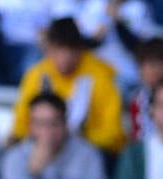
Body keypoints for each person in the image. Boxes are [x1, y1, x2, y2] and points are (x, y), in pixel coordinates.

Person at [10, 16, 126, 156]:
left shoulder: (101, 76)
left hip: (90, 150)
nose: (65, 57)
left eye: (71, 50)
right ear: (48, 49)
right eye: (58, 49)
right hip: (42, 147)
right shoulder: (36, 75)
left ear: (81, 49)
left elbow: (112, 134)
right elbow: (21, 125)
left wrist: (69, 139)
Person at [0, 90, 108, 179]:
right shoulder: (15, 157)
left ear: (65, 123)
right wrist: (34, 172)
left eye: (53, 123)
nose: (47, 131)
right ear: (30, 125)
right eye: (40, 123)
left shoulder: (88, 156)